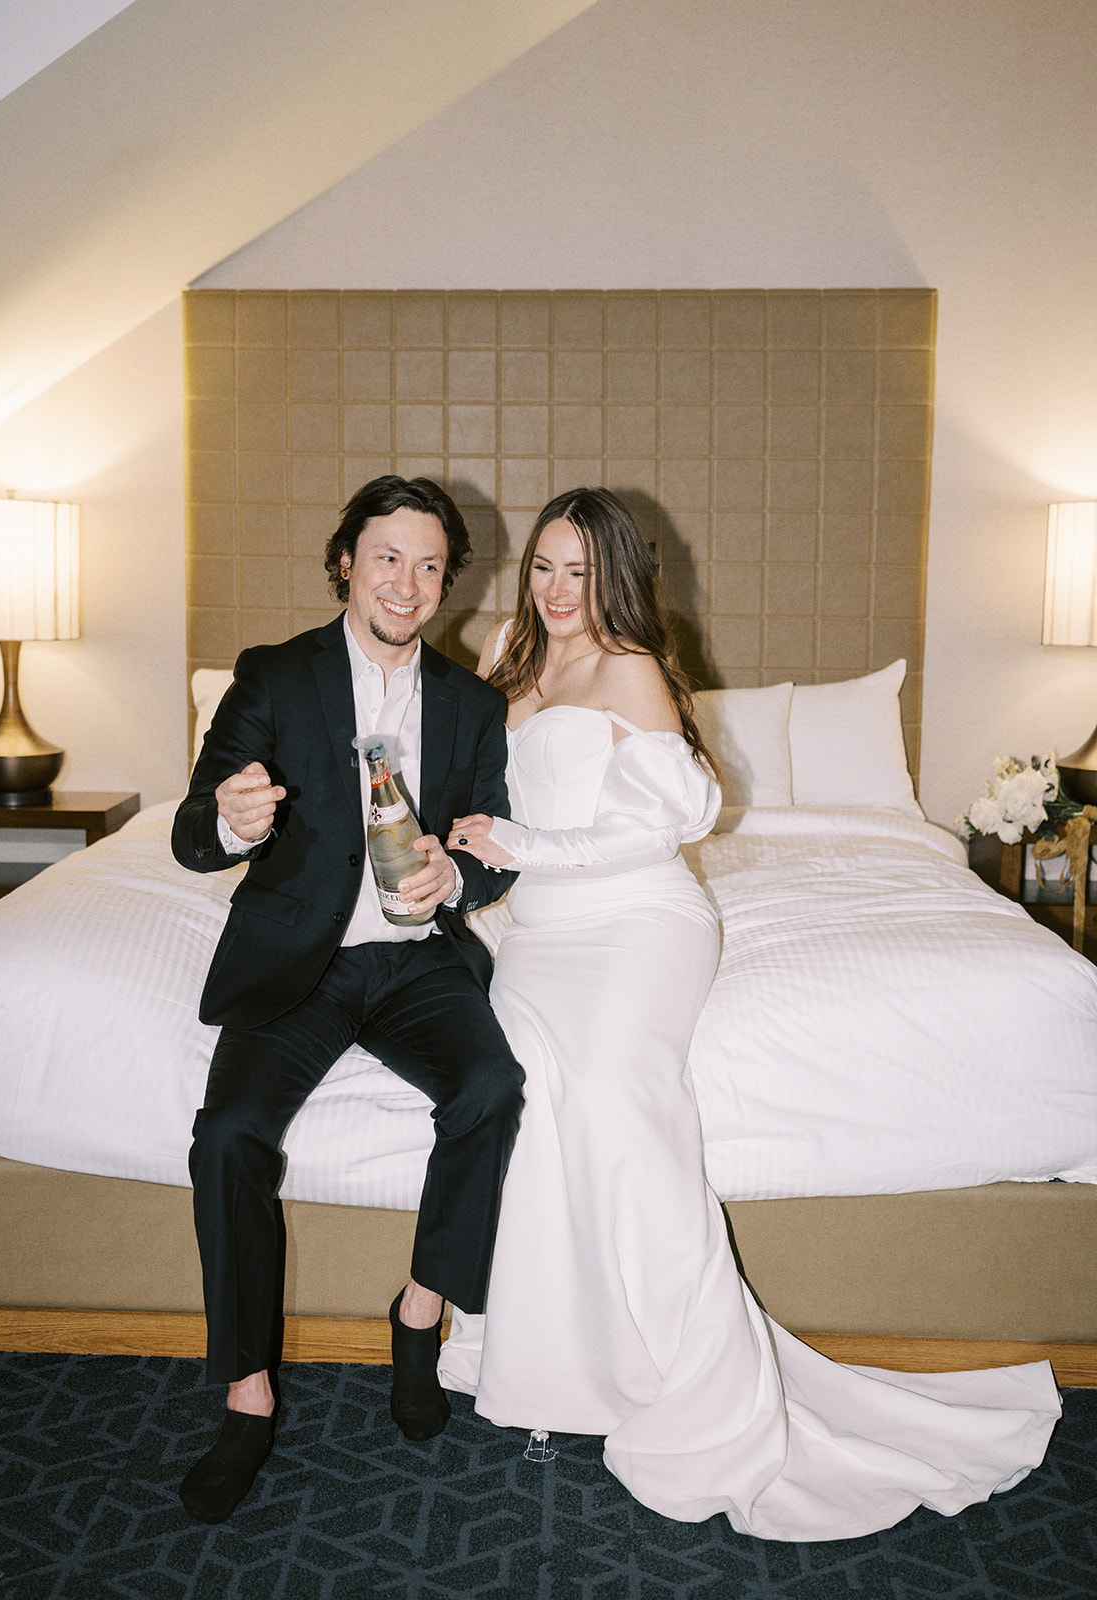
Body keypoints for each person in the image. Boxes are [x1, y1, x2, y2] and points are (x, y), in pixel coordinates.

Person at [436, 486, 1061, 1541]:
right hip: (539, 932)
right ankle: (555, 1366)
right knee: (521, 1095)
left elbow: (665, 825)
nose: (555, 590)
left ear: (616, 578)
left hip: (635, 922)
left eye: (578, 572)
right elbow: (486, 781)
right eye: (542, 566)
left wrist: (519, 845)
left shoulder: (631, 668)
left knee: (610, 1096)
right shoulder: (510, 651)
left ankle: (680, 1372)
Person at [171, 475, 524, 1524]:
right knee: (227, 1132)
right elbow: (195, 832)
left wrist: (457, 878)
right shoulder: (276, 676)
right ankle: (246, 1395)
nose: (406, 584)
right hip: (301, 963)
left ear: (445, 581)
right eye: (386, 558)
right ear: (346, 562)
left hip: (415, 963)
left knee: (493, 1088)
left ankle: (420, 1313)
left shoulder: (472, 703)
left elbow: (494, 842)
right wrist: (234, 821)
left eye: (427, 565)